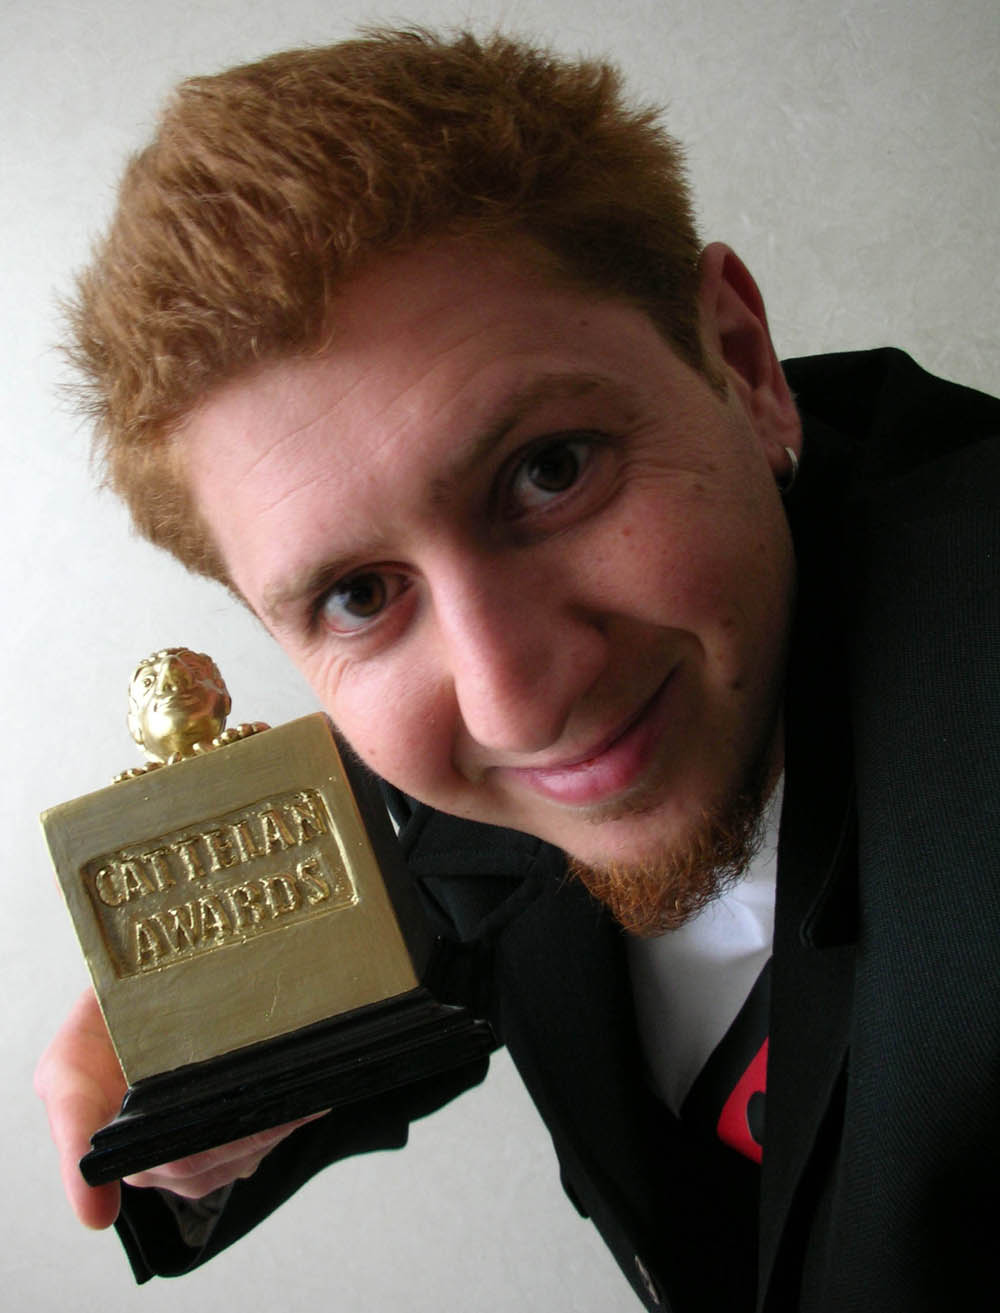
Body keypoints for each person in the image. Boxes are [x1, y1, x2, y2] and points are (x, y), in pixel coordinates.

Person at [34, 27, 999, 1312]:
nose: (511, 698)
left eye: (550, 471)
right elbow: (446, 910)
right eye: (361, 595)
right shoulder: (464, 779)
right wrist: (208, 1076)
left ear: (741, 362)